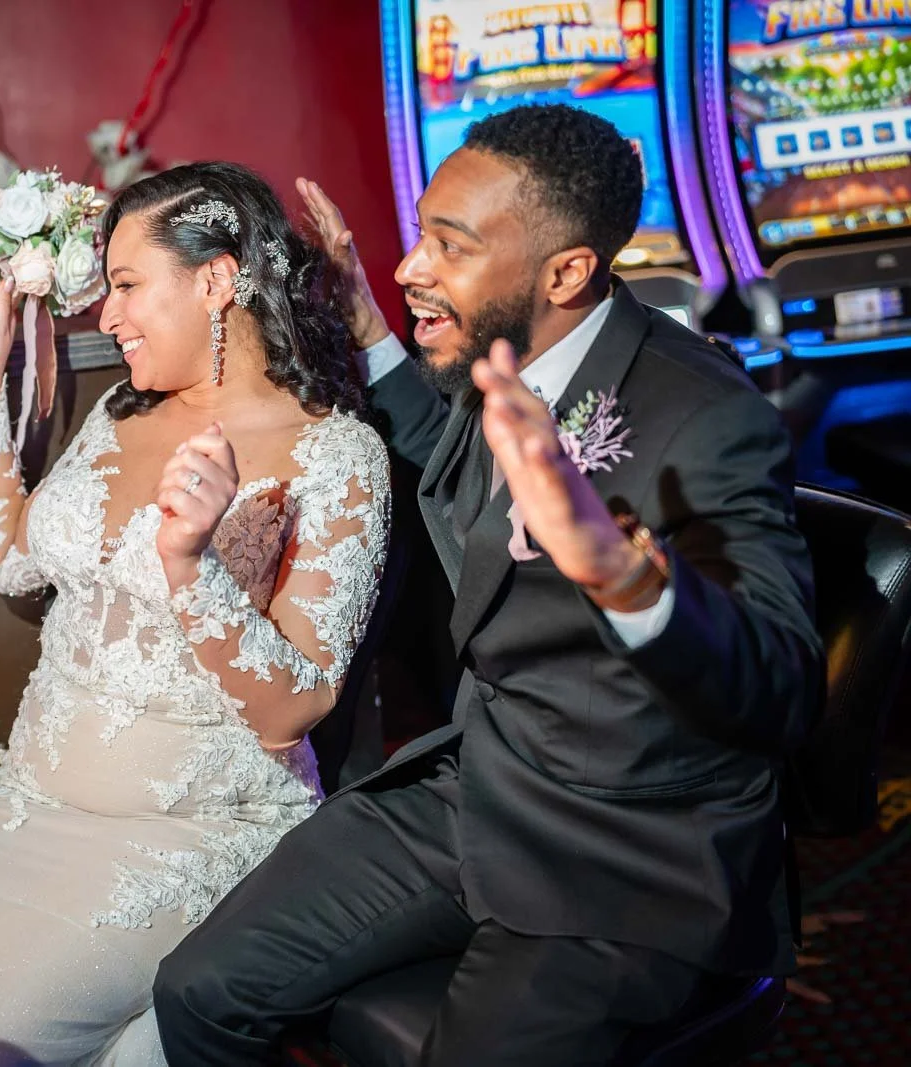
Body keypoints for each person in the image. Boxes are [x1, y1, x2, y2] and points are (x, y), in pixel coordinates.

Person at [153, 103, 823, 1064]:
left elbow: (785, 687)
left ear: (565, 271)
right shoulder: (504, 357)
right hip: (481, 786)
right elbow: (449, 456)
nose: (410, 265)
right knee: (200, 990)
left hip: (627, 846)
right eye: (423, 232)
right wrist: (370, 329)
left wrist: (624, 579)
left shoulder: (708, 414)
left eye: (448, 246)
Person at [0, 162, 392, 1065]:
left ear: (215, 280)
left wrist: (189, 566)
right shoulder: (125, 413)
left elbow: (298, 706)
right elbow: (7, 559)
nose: (107, 314)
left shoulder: (337, 453)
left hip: (182, 837)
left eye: (128, 286)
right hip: (22, 809)